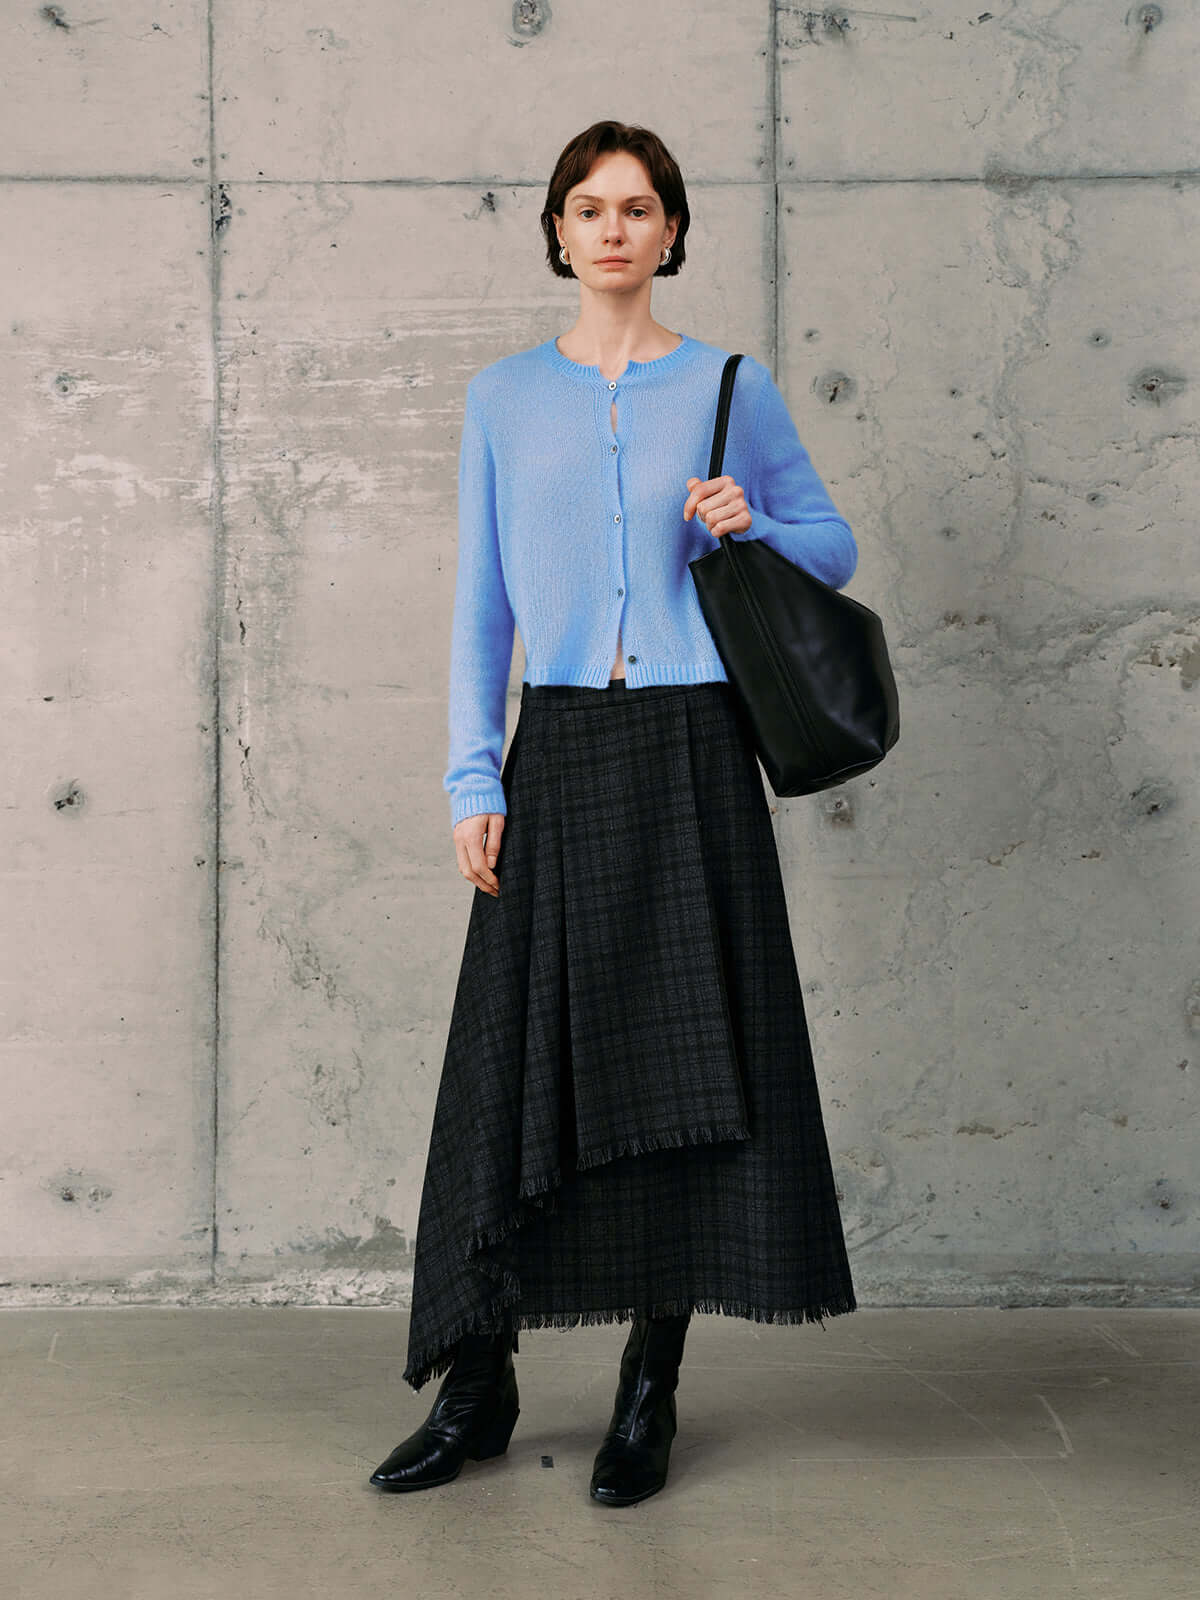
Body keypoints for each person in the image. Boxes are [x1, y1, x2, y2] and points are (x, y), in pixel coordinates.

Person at [370, 119, 858, 1506]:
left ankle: (653, 1382)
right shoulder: (502, 399)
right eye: (589, 208)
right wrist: (476, 775)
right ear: (558, 232)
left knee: (690, 1075)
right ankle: (479, 1377)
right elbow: (483, 608)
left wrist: (748, 525)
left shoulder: (727, 388)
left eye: (638, 207)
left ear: (673, 232)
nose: (614, 228)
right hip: (565, 747)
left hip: (698, 750)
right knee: (511, 1069)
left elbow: (833, 543)